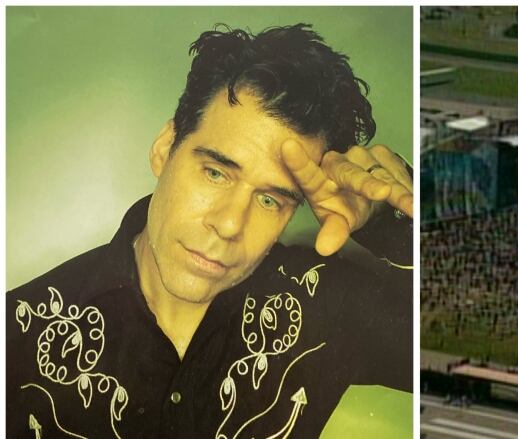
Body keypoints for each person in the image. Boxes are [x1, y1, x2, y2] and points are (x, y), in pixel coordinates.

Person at [7, 24, 412, 438]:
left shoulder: (322, 307)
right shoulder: (17, 336)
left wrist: (391, 220)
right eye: (216, 172)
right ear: (165, 149)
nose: (230, 224)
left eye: (271, 200)